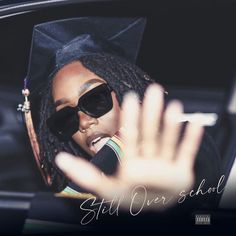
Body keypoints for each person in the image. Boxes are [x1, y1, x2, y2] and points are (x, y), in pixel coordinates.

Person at [21, 16, 222, 211]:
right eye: (65, 118)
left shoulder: (182, 146)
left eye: (94, 99)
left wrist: (165, 205)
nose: (83, 123)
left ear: (126, 90)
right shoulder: (81, 181)